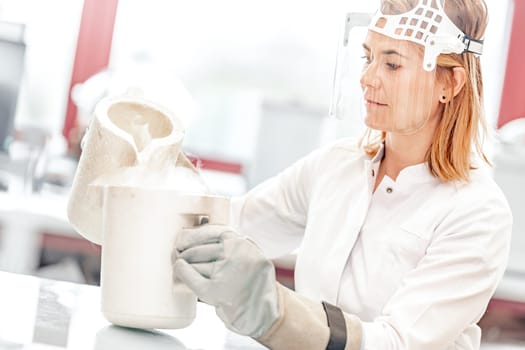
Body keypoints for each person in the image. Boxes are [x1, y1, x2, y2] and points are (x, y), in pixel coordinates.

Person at [171, 0, 513, 349]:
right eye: (368, 58)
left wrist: (277, 314)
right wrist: (159, 167)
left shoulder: (478, 214)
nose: (367, 78)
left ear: (450, 84)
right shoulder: (335, 166)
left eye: (392, 65)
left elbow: (396, 343)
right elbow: (231, 225)